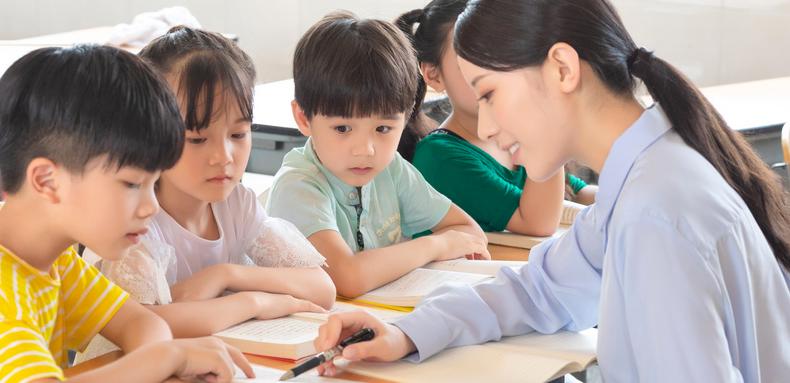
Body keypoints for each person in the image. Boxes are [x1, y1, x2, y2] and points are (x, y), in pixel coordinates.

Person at [314, 0, 790, 381]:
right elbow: (539, 290)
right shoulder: (642, 180)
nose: (487, 124)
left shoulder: (654, 210)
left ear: (562, 68)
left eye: (489, 94)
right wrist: (406, 333)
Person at [0, 45, 253, 382]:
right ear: (47, 180)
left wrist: (162, 357)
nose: (151, 206)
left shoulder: (38, 247)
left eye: (153, 182)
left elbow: (140, 321)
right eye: (131, 184)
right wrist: (164, 360)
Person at [76, 27, 335, 361]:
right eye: (197, 139)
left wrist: (225, 274)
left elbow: (322, 289)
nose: (224, 157)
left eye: (238, 134)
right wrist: (252, 301)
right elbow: (148, 325)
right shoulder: (135, 221)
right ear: (149, 133)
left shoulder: (236, 204)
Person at [266, 12, 491, 299]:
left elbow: (470, 234)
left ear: (406, 114)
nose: (366, 149)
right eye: (343, 128)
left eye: (383, 128)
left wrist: (446, 243)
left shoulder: (391, 169)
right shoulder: (299, 186)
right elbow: (347, 278)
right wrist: (437, 245)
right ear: (304, 118)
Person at [398, 0, 597, 236]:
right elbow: (537, 223)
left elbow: (576, 194)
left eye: (501, 55)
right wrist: (547, 119)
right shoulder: (440, 156)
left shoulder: (513, 135)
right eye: (469, 61)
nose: (490, 70)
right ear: (434, 75)